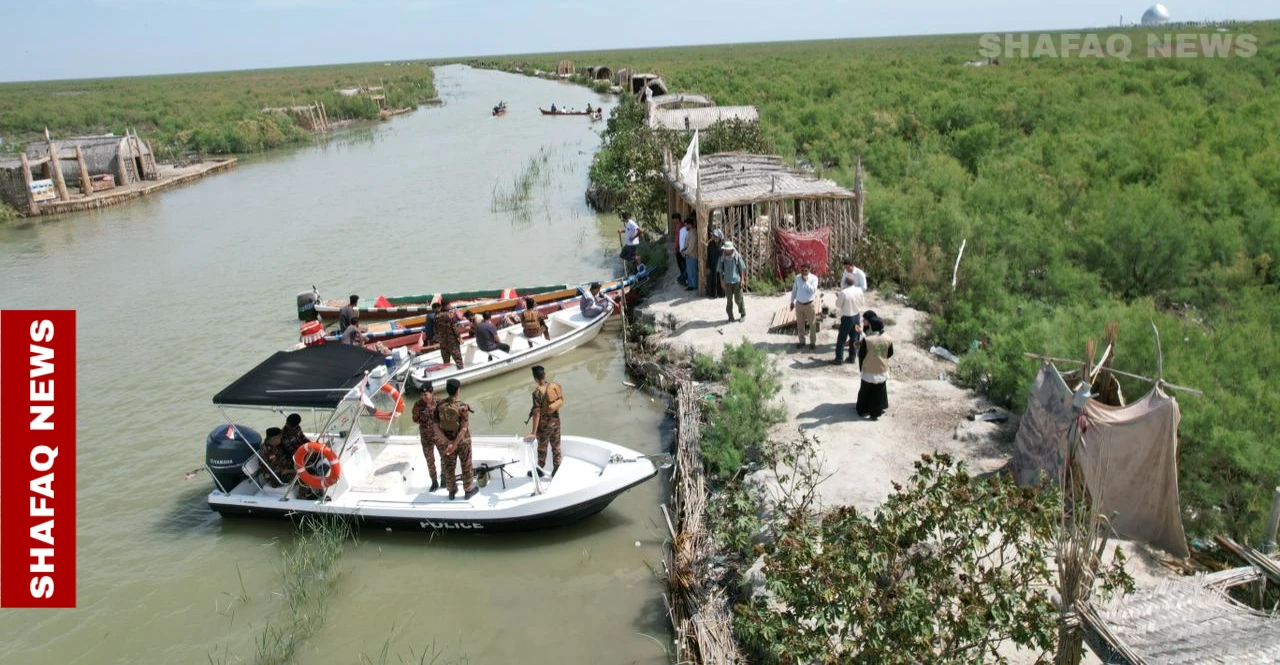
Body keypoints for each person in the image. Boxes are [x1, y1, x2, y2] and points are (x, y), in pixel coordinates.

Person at [433, 378, 477, 500]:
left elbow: (435, 427)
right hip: (462, 442)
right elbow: (464, 428)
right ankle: (468, 491)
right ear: (458, 390)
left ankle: (452, 491)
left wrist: (449, 443)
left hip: (447, 442)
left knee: (449, 467)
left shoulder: (439, 406)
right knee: (466, 465)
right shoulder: (462, 406)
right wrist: (456, 443)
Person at [525, 365, 565, 478]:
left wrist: (533, 432)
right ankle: (556, 468)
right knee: (556, 446)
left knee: (542, 448)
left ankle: (539, 469)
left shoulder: (537, 393)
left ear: (535, 378)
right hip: (556, 422)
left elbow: (536, 413)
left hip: (544, 426)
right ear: (544, 375)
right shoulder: (553, 386)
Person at [856, 311, 894, 420]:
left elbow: (861, 355)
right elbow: (890, 353)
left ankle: (862, 410)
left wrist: (861, 367)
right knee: (878, 393)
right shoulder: (888, 339)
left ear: (872, 326)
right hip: (882, 370)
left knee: (865, 391)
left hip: (869, 371)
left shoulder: (867, 340)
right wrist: (881, 356)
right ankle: (875, 413)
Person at [411, 381, 443, 491]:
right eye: (421, 395)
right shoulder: (417, 405)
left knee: (444, 457)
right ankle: (434, 481)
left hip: (439, 436)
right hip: (426, 438)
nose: (423, 397)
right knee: (430, 461)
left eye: (425, 394)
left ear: (431, 393)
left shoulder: (439, 402)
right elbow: (415, 419)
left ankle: (444, 478)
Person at [834, 280, 866, 364]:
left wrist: (838, 296)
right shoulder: (859, 290)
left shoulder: (844, 292)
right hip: (856, 316)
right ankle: (852, 357)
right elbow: (862, 303)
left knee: (841, 339)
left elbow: (838, 305)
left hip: (847, 317)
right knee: (854, 338)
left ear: (845, 283)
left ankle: (839, 359)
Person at [790, 263, 820, 350]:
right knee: (800, 324)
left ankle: (812, 342)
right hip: (799, 304)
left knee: (812, 324)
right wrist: (792, 301)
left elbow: (812, 290)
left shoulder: (814, 278)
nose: (803, 272)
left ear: (809, 270)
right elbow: (794, 290)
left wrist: (806, 281)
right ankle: (802, 341)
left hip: (809, 305)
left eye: (805, 270)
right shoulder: (797, 278)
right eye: (802, 270)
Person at [718, 241, 747, 322]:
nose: (727, 251)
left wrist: (742, 279)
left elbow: (742, 268)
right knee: (729, 300)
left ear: (732, 249)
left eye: (728, 249)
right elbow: (720, 270)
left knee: (738, 299)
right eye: (726, 249)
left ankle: (743, 314)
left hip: (737, 281)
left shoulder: (737, 256)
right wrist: (721, 281)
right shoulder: (722, 258)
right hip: (727, 282)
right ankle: (730, 317)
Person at [432, 301, 464, 369]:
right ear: (445, 306)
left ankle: (447, 370)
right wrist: (459, 337)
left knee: (445, 358)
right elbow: (454, 327)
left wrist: (438, 339)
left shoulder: (436, 317)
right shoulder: (449, 315)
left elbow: (435, 330)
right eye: (449, 305)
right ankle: (461, 369)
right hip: (452, 340)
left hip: (442, 341)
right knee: (457, 357)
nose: (450, 306)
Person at [681, 217, 698, 292]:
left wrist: (685, 252)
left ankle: (693, 285)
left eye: (686, 225)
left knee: (692, 271)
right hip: (689, 255)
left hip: (692, 255)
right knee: (689, 270)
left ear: (690, 225)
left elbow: (691, 247)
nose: (685, 227)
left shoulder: (693, 234)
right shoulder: (690, 232)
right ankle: (691, 284)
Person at [705, 229, 724, 299]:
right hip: (713, 264)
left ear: (720, 236)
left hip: (720, 265)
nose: (715, 238)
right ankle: (713, 294)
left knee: (720, 279)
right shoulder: (711, 244)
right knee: (713, 279)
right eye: (714, 236)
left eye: (716, 236)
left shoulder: (723, 244)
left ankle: (721, 293)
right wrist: (708, 265)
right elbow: (709, 255)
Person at [673, 213, 689, 286]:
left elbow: (678, 238)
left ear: (677, 219)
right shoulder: (681, 225)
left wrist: (675, 247)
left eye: (674, 219)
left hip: (680, 248)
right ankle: (683, 276)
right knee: (683, 264)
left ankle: (683, 278)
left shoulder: (680, 226)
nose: (673, 221)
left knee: (682, 264)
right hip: (682, 247)